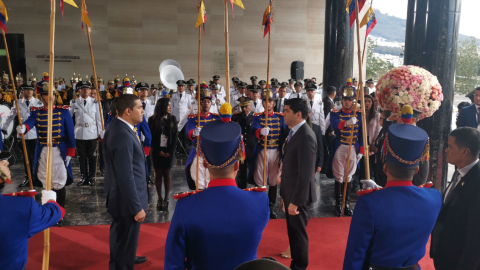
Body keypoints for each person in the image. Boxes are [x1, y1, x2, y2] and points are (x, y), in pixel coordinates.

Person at [164, 117, 270, 270]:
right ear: (237, 165)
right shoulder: (260, 201)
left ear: (205, 164)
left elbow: (173, 264)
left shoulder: (185, 206)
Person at [343, 122, 442, 270]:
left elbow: (355, 253)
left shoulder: (369, 203)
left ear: (384, 167)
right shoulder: (434, 197)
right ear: (416, 170)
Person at [16, 80, 75, 226]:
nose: (49, 97)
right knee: (45, 180)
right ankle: (48, 214)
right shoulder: (37, 111)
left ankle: (59, 213)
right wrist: (24, 128)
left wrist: (70, 152)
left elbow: (70, 133)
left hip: (59, 150)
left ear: (55, 95)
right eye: (45, 94)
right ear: (41, 96)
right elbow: (30, 121)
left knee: (59, 182)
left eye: (51, 94)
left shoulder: (63, 111)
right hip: (43, 150)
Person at [103, 94, 149, 269]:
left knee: (122, 239)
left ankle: (122, 259)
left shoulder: (119, 127)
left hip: (120, 197)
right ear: (128, 111)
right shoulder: (122, 134)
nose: (143, 110)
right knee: (125, 242)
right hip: (126, 201)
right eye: (139, 107)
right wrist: (136, 207)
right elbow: (125, 175)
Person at [0, 152, 66, 270]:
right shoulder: (21, 206)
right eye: (1, 162)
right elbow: (56, 213)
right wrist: (51, 200)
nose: (7, 162)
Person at [431, 127, 480, 270]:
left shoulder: (477, 182)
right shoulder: (460, 171)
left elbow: (475, 237)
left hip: (458, 261)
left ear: (465, 151)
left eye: (450, 146)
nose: (446, 150)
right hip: (445, 255)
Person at [278, 98, 317, 270]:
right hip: (291, 192)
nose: (283, 113)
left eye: (286, 110)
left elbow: (306, 173)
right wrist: (285, 195)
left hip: (298, 197)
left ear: (298, 114)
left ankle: (300, 267)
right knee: (293, 233)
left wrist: (295, 201)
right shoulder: (294, 131)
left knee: (298, 234)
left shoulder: (306, 136)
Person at [328, 81, 364, 217]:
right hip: (340, 145)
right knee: (339, 176)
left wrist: (361, 150)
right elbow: (335, 124)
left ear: (353, 101)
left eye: (350, 100)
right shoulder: (335, 113)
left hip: (353, 147)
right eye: (345, 99)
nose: (347, 102)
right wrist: (347, 123)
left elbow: (361, 134)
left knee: (348, 177)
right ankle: (338, 203)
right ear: (341, 100)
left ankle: (346, 203)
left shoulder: (360, 115)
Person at [250, 91, 287, 219]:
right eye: (265, 101)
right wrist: (261, 131)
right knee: (261, 179)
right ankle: (261, 206)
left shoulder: (280, 117)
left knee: (273, 180)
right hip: (263, 150)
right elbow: (254, 128)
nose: (268, 103)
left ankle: (271, 206)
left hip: (276, 150)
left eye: (270, 101)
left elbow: (284, 133)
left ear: (274, 103)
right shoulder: (257, 116)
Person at [3, 82, 42, 187]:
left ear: (33, 91)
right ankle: (28, 178)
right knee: (26, 158)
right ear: (22, 91)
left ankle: (37, 178)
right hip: (22, 135)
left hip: (35, 134)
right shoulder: (18, 102)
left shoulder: (39, 103)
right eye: (26, 89)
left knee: (36, 157)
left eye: (30, 90)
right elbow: (10, 116)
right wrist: (4, 128)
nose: (29, 91)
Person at [185, 87, 220, 190]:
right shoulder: (193, 118)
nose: (206, 104)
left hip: (212, 153)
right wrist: (194, 133)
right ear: (200, 103)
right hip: (199, 152)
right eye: (204, 101)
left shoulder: (216, 118)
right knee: (199, 182)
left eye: (208, 101)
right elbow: (189, 131)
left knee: (211, 181)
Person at [70, 80, 103, 186]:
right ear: (79, 91)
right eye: (83, 89)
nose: (86, 91)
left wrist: (100, 132)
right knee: (82, 157)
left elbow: (99, 118)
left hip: (92, 132)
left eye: (88, 89)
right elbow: (69, 118)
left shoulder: (96, 102)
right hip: (79, 132)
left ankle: (91, 177)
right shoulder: (74, 103)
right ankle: (83, 176)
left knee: (92, 156)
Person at [148, 98, 178, 211]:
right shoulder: (152, 120)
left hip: (169, 151)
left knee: (167, 173)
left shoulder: (173, 119)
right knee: (158, 173)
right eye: (168, 105)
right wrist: (158, 151)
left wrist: (169, 152)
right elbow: (149, 136)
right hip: (156, 151)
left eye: (170, 105)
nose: (170, 107)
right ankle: (159, 198)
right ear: (162, 107)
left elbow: (175, 137)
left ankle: (166, 199)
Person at [232, 96, 256, 189]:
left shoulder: (255, 117)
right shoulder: (236, 116)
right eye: (242, 107)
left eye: (246, 106)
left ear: (251, 105)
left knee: (253, 171)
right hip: (240, 149)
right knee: (241, 172)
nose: (244, 109)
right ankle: (242, 189)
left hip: (251, 148)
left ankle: (253, 190)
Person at [358, 95, 381, 181]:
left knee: (371, 168)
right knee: (362, 168)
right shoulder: (359, 115)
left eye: (369, 101)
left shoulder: (377, 115)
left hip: (372, 143)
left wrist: (373, 144)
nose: (367, 103)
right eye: (365, 101)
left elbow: (378, 131)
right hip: (361, 143)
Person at [373, 110, 393, 187]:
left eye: (381, 118)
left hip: (384, 162)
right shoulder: (383, 129)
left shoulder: (389, 131)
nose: (379, 120)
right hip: (379, 160)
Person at [171, 80, 193, 152]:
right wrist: (171, 117)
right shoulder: (173, 95)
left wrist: (189, 117)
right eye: (179, 86)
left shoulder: (188, 96)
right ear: (177, 87)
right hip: (176, 117)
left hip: (184, 118)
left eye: (182, 86)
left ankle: (184, 147)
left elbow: (190, 107)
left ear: (184, 87)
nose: (181, 88)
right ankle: (177, 148)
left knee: (184, 135)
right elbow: (171, 106)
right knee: (176, 134)